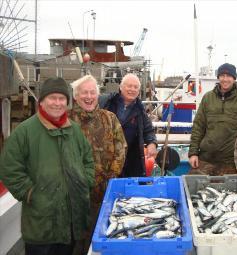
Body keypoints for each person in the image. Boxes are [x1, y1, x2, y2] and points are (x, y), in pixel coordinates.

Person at [0, 77, 94, 255]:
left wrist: (85, 181)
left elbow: (88, 159)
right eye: (52, 98)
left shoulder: (74, 131)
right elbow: (9, 167)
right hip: (41, 224)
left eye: (61, 99)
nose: (57, 103)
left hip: (71, 222)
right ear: (42, 101)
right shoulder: (25, 131)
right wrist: (29, 193)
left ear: (67, 102)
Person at [69, 75, 127, 254]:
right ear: (76, 96)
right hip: (73, 195)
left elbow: (121, 148)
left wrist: (111, 177)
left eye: (92, 92)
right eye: (84, 93)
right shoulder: (66, 121)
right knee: (73, 240)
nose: (89, 97)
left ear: (97, 94)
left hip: (103, 192)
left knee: (99, 238)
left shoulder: (109, 118)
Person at [188, 63, 237, 175]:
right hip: (206, 158)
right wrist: (193, 153)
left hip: (231, 162)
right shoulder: (207, 98)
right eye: (222, 75)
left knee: (231, 190)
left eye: (229, 76)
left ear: (234, 78)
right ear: (218, 77)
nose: (225, 79)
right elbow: (198, 126)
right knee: (192, 186)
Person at [99, 73, 157, 177]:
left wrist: (152, 143)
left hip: (129, 158)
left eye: (135, 87)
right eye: (129, 86)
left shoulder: (139, 110)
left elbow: (148, 130)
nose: (132, 89)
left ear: (138, 91)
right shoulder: (107, 102)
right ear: (121, 87)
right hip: (105, 156)